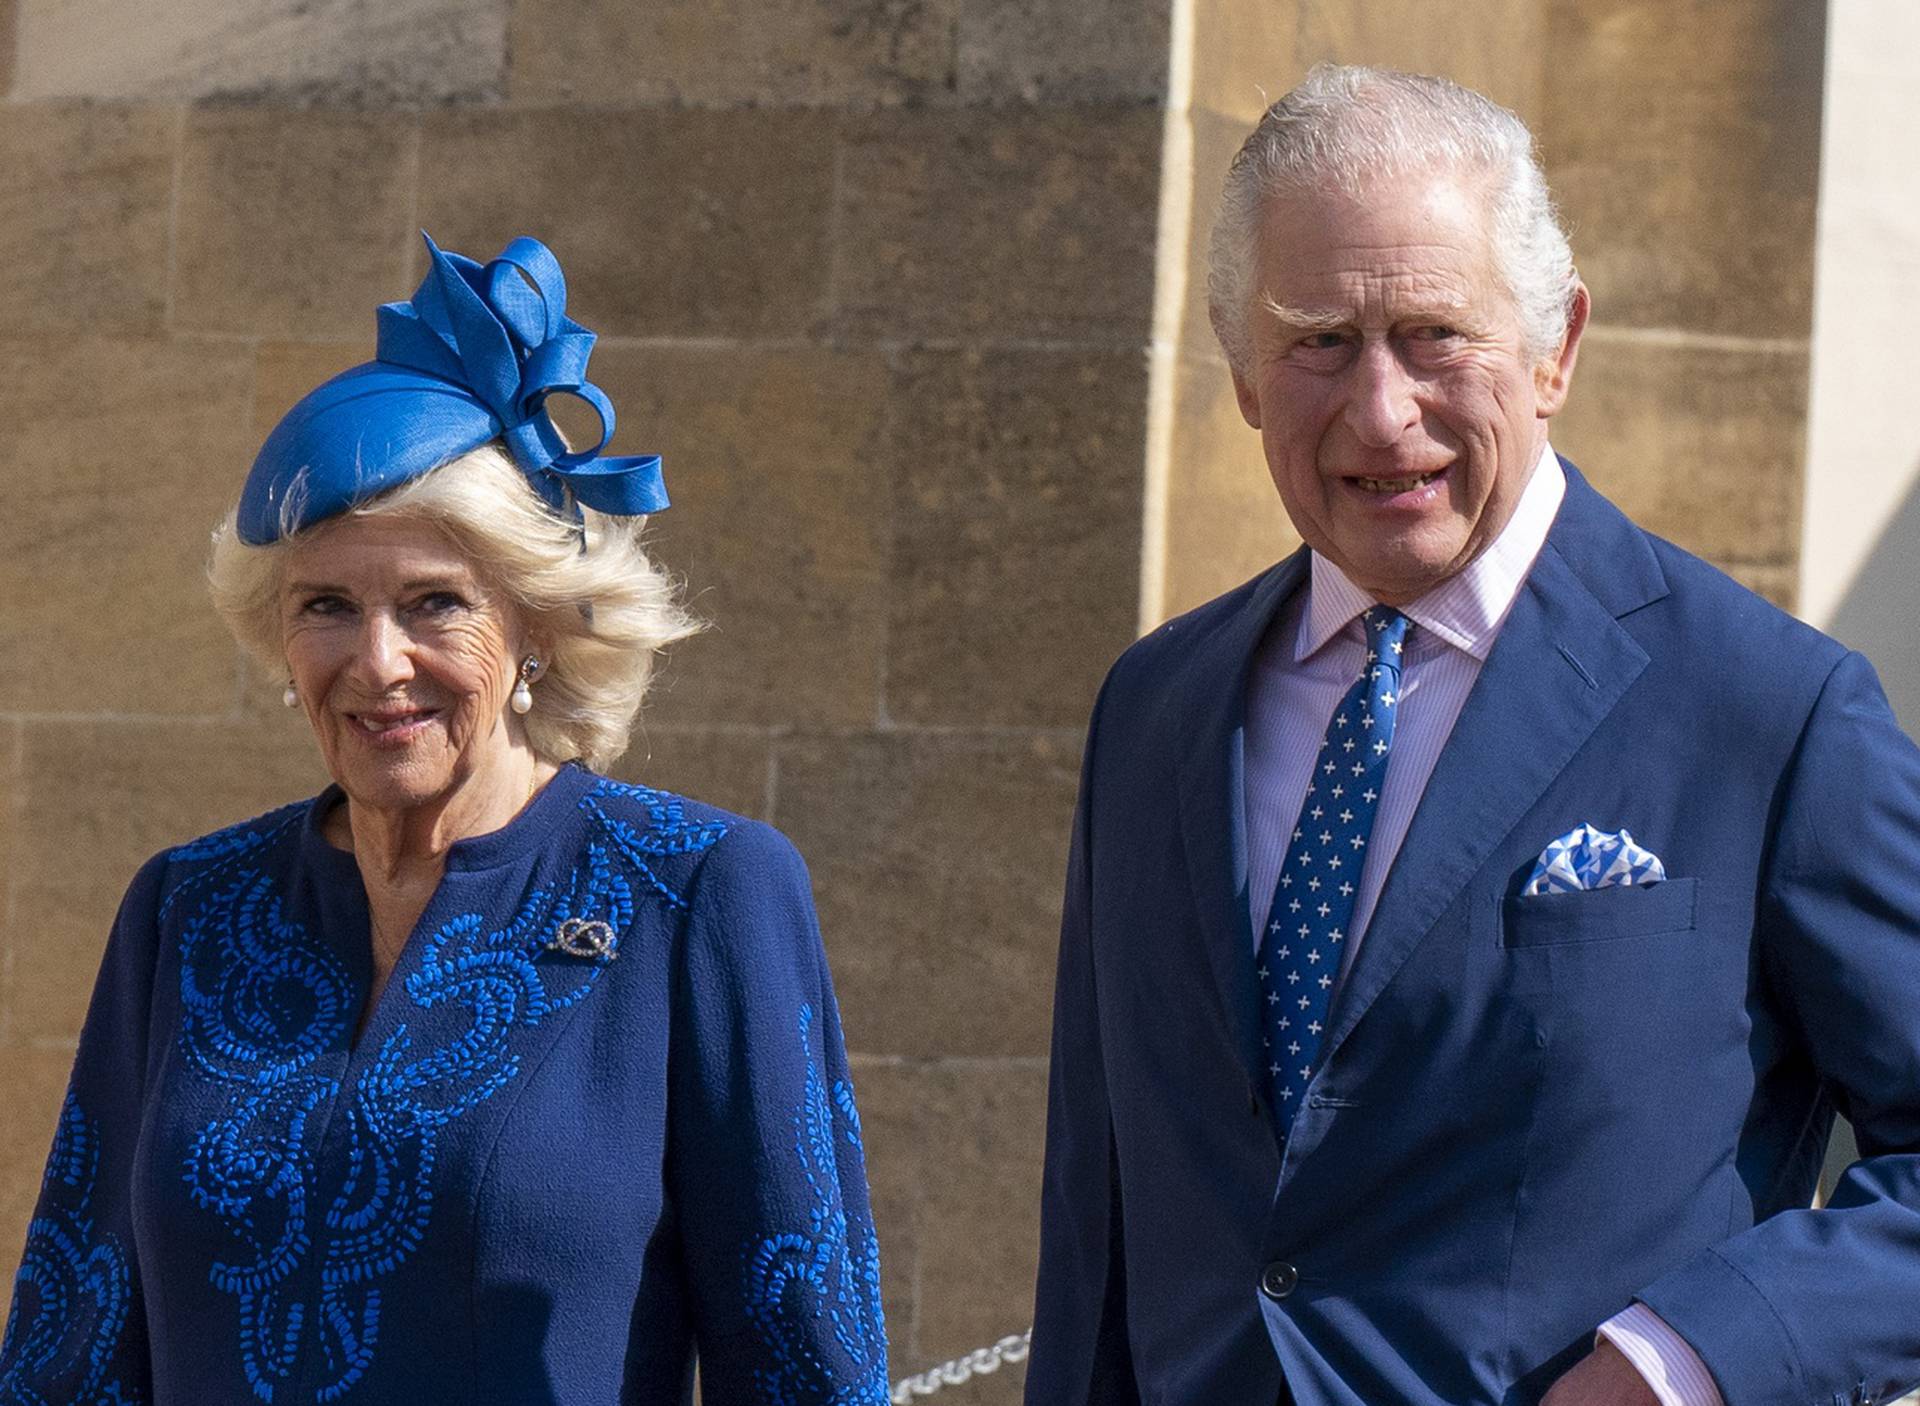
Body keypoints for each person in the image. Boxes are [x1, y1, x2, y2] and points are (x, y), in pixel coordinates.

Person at [1025, 64, 1920, 1406]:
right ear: (1243, 373)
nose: (1383, 412)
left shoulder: (1769, 711)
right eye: (1320, 339)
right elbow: (1100, 1232)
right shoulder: (1156, 708)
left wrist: (1682, 1361)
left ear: (1557, 347)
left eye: (1436, 334)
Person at [0, 234, 889, 1404]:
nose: (381, 663)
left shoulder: (697, 892)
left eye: (435, 603)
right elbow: (73, 1343)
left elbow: (804, 1361)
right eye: (327, 605)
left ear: (532, 627)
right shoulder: (189, 907)